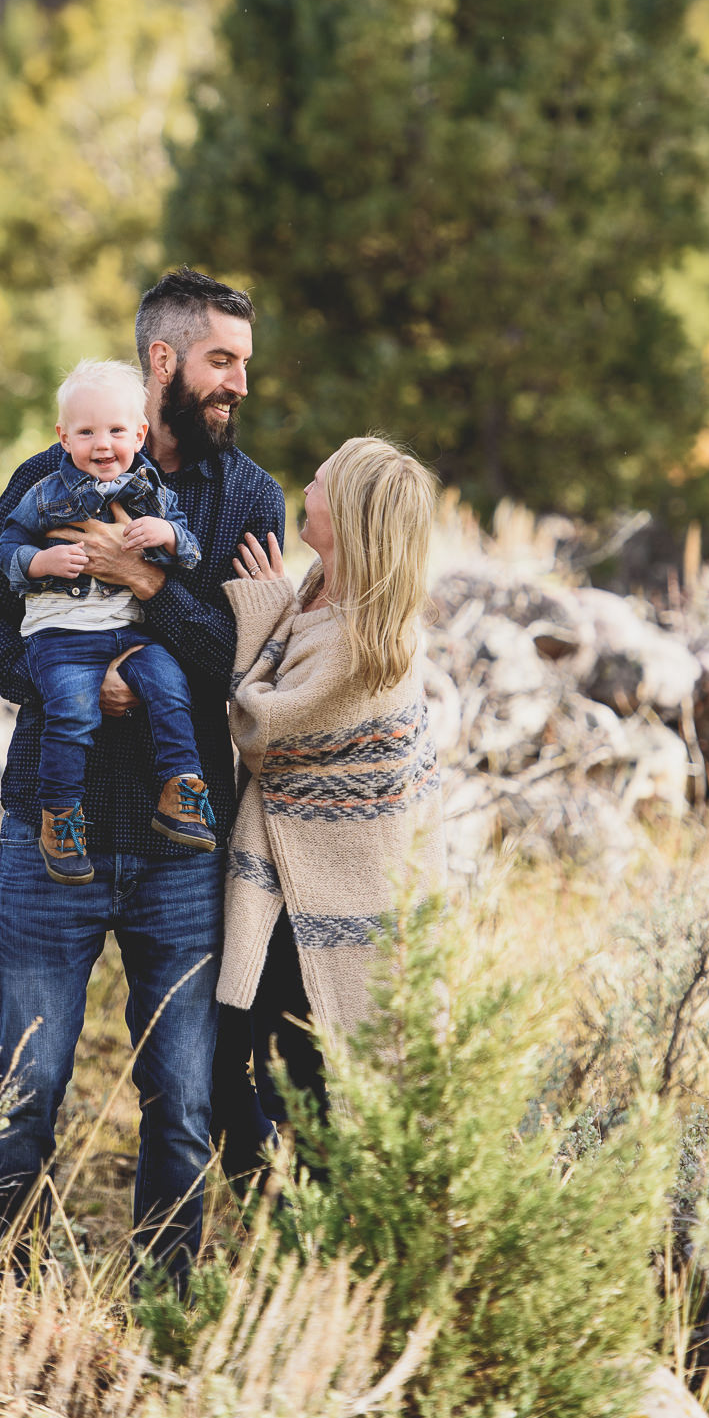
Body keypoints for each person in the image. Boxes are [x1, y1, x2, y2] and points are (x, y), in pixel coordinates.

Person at [0, 269, 284, 1274]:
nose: (234, 384)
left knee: (180, 1103)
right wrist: (64, 681)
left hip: (182, 849)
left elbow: (239, 661)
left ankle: (164, 1296)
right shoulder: (43, 477)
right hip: (50, 838)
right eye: (219, 361)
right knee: (23, 1093)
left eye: (242, 365)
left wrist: (144, 577)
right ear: (161, 362)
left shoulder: (245, 499)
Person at [215, 435, 445, 1179]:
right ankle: (289, 1244)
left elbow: (263, 733)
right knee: (277, 1088)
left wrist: (256, 615)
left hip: (332, 910)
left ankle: (321, 1267)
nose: (302, 489)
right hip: (299, 891)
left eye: (316, 483)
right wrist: (281, 604)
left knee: (314, 1104)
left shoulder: (362, 641)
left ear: (343, 514)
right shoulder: (320, 594)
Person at [0, 358, 215, 883]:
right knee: (72, 715)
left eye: (116, 431)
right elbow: (7, 546)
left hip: (131, 633)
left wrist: (165, 536)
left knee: (169, 685)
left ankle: (180, 790)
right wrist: (39, 563)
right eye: (87, 432)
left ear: (139, 434)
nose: (102, 444)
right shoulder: (44, 491)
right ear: (63, 437)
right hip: (62, 637)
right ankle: (61, 818)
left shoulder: (151, 493)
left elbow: (191, 549)